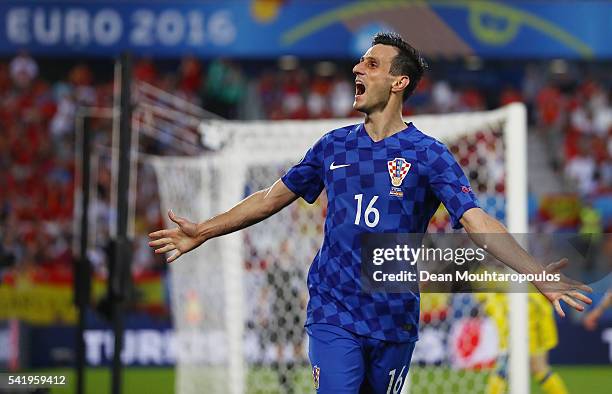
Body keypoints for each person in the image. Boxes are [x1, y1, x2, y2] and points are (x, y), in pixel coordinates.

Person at [149, 32, 592, 393]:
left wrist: (537, 273)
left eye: (372, 64)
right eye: (360, 63)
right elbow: (270, 197)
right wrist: (204, 230)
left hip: (394, 318)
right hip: (334, 310)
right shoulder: (333, 145)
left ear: (399, 83)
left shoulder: (428, 154)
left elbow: (475, 220)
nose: (358, 69)